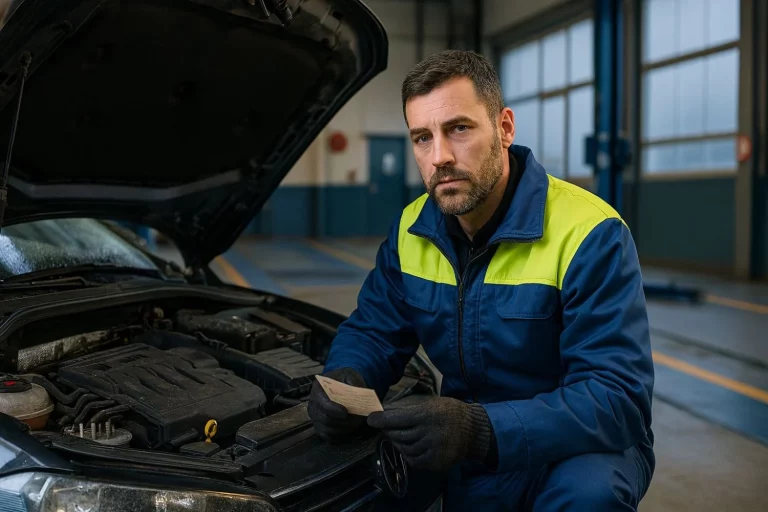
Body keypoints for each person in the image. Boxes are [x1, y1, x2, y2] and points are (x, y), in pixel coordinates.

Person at [307, 49, 655, 511]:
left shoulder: (590, 233)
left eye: (459, 129)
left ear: (504, 128)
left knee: (589, 494)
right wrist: (346, 377)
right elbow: (374, 330)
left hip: (574, 445)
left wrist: (481, 430)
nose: (440, 157)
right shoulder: (411, 230)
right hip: (464, 438)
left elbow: (616, 397)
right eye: (422, 138)